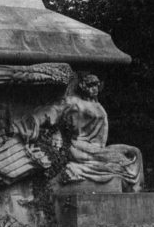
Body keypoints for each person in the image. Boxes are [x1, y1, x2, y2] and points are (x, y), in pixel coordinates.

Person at [10, 74, 144, 191]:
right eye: (91, 85)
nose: (95, 88)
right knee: (122, 161)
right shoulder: (74, 102)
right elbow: (53, 111)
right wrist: (33, 122)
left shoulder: (99, 106)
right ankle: (122, 182)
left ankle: (135, 189)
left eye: (96, 85)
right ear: (83, 87)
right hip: (80, 147)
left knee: (134, 152)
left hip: (98, 149)